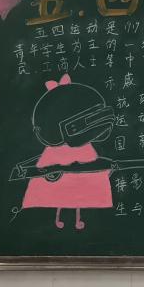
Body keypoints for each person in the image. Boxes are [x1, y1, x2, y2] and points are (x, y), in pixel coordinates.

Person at [19, 74, 117, 230]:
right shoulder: (57, 150)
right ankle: (61, 218)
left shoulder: (80, 146)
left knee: (79, 193)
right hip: (61, 163)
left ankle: (74, 219)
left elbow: (94, 169)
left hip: (76, 158)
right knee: (62, 194)